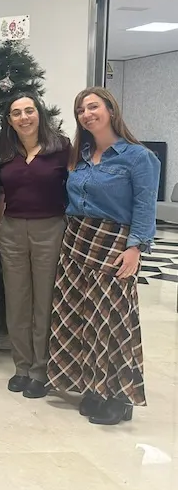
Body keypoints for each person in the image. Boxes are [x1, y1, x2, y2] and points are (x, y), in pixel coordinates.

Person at [48, 87, 159, 426]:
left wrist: (136, 248)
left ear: (110, 109)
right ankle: (93, 386)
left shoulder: (138, 157)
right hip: (76, 241)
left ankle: (120, 395)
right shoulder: (78, 156)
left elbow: (144, 206)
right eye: (81, 109)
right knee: (82, 318)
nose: (87, 114)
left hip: (113, 243)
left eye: (93, 107)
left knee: (114, 321)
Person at [0, 92, 69, 399]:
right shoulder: (5, 151)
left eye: (29, 111)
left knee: (44, 301)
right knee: (18, 301)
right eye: (16, 113)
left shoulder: (61, 147)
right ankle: (22, 367)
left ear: (39, 113)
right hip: (12, 229)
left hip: (50, 228)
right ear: (9, 120)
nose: (24, 117)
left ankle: (41, 370)